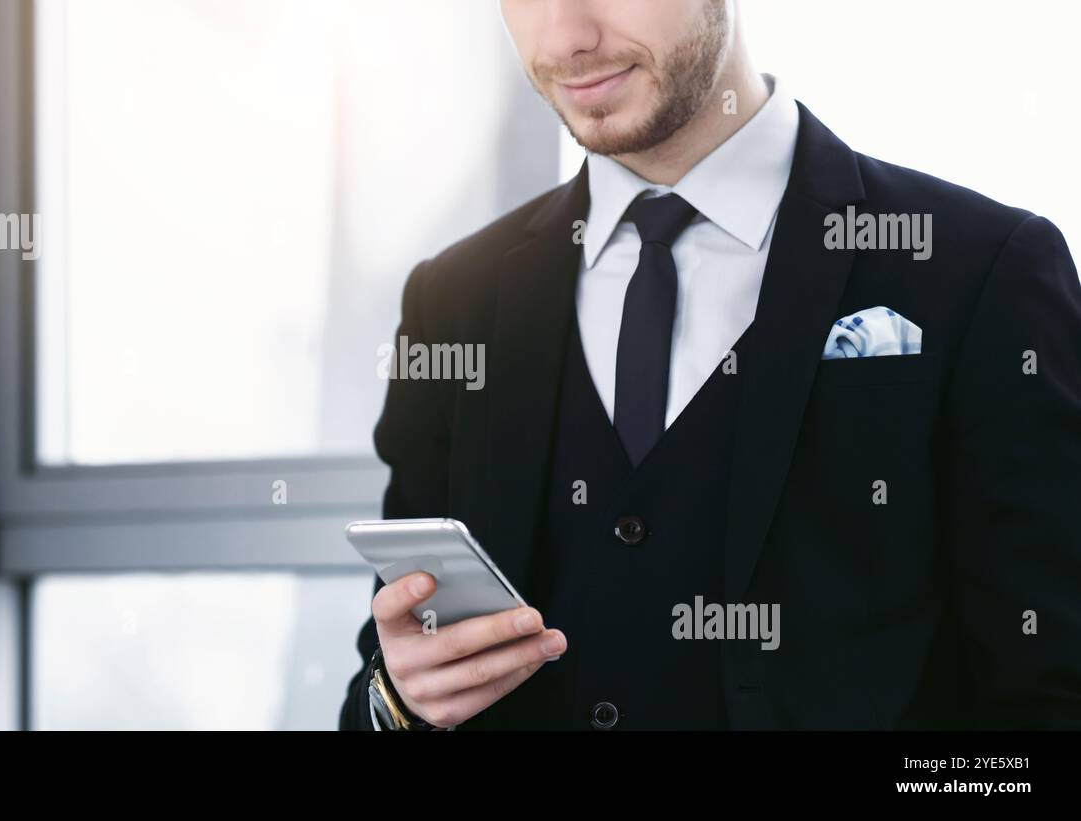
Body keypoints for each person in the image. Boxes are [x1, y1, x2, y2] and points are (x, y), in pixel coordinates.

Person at [340, 0, 1081, 730]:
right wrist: (396, 704)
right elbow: (389, 666)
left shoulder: (981, 269)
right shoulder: (455, 301)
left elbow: (1051, 690)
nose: (568, 37)